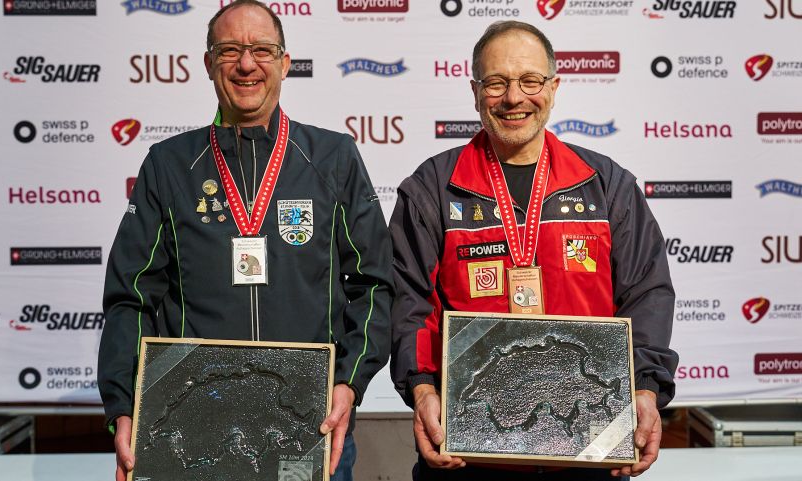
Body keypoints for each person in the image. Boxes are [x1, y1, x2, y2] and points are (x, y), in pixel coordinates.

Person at [98, 2, 393, 480]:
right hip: (194, 426)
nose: (246, 64)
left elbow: (375, 284)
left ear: (284, 62)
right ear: (210, 63)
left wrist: (348, 383)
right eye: (230, 50)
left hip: (306, 425)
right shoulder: (169, 166)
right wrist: (124, 404)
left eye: (261, 49)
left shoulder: (333, 158)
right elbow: (129, 297)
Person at [390, 21, 678, 480]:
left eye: (530, 81)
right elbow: (409, 303)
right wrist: (423, 387)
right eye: (497, 82)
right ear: (475, 89)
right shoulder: (433, 189)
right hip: (469, 452)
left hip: (589, 447)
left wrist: (645, 388)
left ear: (554, 86)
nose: (514, 98)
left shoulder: (605, 185)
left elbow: (648, 294)